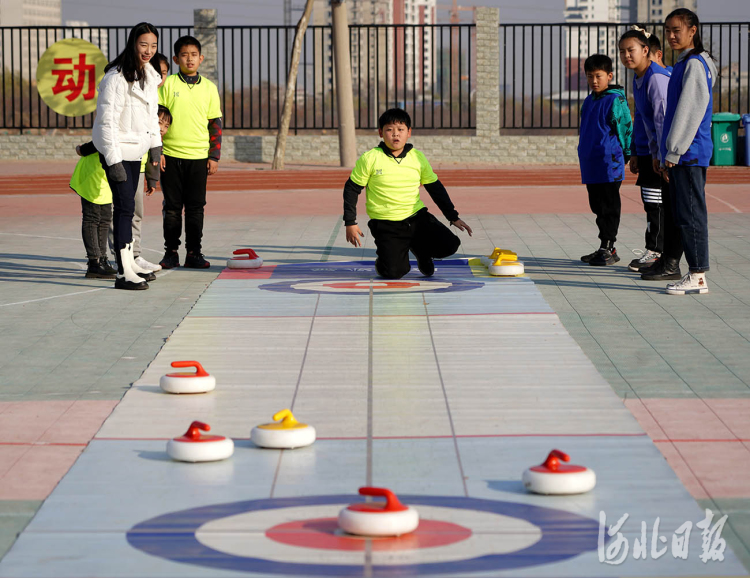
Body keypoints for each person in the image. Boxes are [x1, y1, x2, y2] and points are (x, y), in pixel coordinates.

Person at [343, 108, 472, 279]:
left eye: (400, 130)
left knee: (450, 245)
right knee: (394, 272)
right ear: (381, 133)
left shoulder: (417, 158)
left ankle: (422, 252)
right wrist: (350, 222)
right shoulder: (370, 158)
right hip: (386, 224)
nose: (395, 134)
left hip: (416, 218)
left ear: (409, 132)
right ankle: (385, 259)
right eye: (389, 130)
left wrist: (452, 216)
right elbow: (351, 189)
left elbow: (435, 188)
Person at [92, 22, 162, 290]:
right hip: (118, 151)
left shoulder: (149, 75)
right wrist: (112, 159)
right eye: (144, 44)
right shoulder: (116, 78)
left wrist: (155, 147)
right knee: (123, 210)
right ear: (133, 43)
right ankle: (123, 273)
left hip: (136, 151)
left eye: (153, 46)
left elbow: (150, 118)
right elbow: (105, 123)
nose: (148, 50)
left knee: (128, 209)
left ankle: (130, 263)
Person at [660, 8, 716, 295]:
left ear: (692, 31)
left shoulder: (694, 64)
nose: (670, 35)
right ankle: (697, 273)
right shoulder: (691, 62)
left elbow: (688, 112)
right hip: (686, 152)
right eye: (667, 29)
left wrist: (673, 151)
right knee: (687, 213)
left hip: (688, 153)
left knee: (691, 214)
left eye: (676, 30)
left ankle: (697, 275)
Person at [158, 35, 222, 269]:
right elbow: (157, 120)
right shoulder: (168, 85)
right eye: (184, 55)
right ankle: (171, 252)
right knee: (172, 208)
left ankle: (194, 253)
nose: (189, 59)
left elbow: (215, 124)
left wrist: (214, 156)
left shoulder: (209, 88)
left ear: (201, 58)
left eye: (194, 55)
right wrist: (158, 152)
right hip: (171, 156)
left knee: (196, 208)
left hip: (198, 158)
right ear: (176, 59)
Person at [105, 52, 171, 273]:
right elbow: (107, 124)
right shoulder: (119, 82)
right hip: (121, 158)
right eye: (157, 71)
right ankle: (122, 260)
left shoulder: (154, 97)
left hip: (139, 163)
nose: (159, 77)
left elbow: (155, 134)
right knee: (121, 210)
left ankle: (134, 256)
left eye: (163, 73)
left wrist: (153, 170)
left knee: (134, 211)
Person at [619, 27, 671, 273]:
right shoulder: (638, 78)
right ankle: (655, 251)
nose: (626, 55)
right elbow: (640, 117)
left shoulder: (657, 78)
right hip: (650, 153)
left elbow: (662, 120)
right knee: (651, 201)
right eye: (622, 51)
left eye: (631, 50)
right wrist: (637, 152)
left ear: (646, 50)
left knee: (660, 204)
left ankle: (660, 253)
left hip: (663, 155)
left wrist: (662, 157)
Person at [578, 54, 633, 267]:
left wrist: (628, 152)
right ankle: (603, 246)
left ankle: (609, 247)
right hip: (591, 163)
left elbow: (625, 127)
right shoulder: (589, 100)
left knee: (609, 205)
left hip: (609, 163)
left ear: (609, 75)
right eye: (590, 76)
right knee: (597, 206)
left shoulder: (615, 99)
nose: (594, 81)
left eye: (598, 76)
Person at [70, 146, 117, 280]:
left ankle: (102, 259)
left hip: (105, 175)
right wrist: (82, 149)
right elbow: (97, 141)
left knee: (105, 218)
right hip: (93, 173)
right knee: (92, 218)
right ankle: (94, 262)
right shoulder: (108, 128)